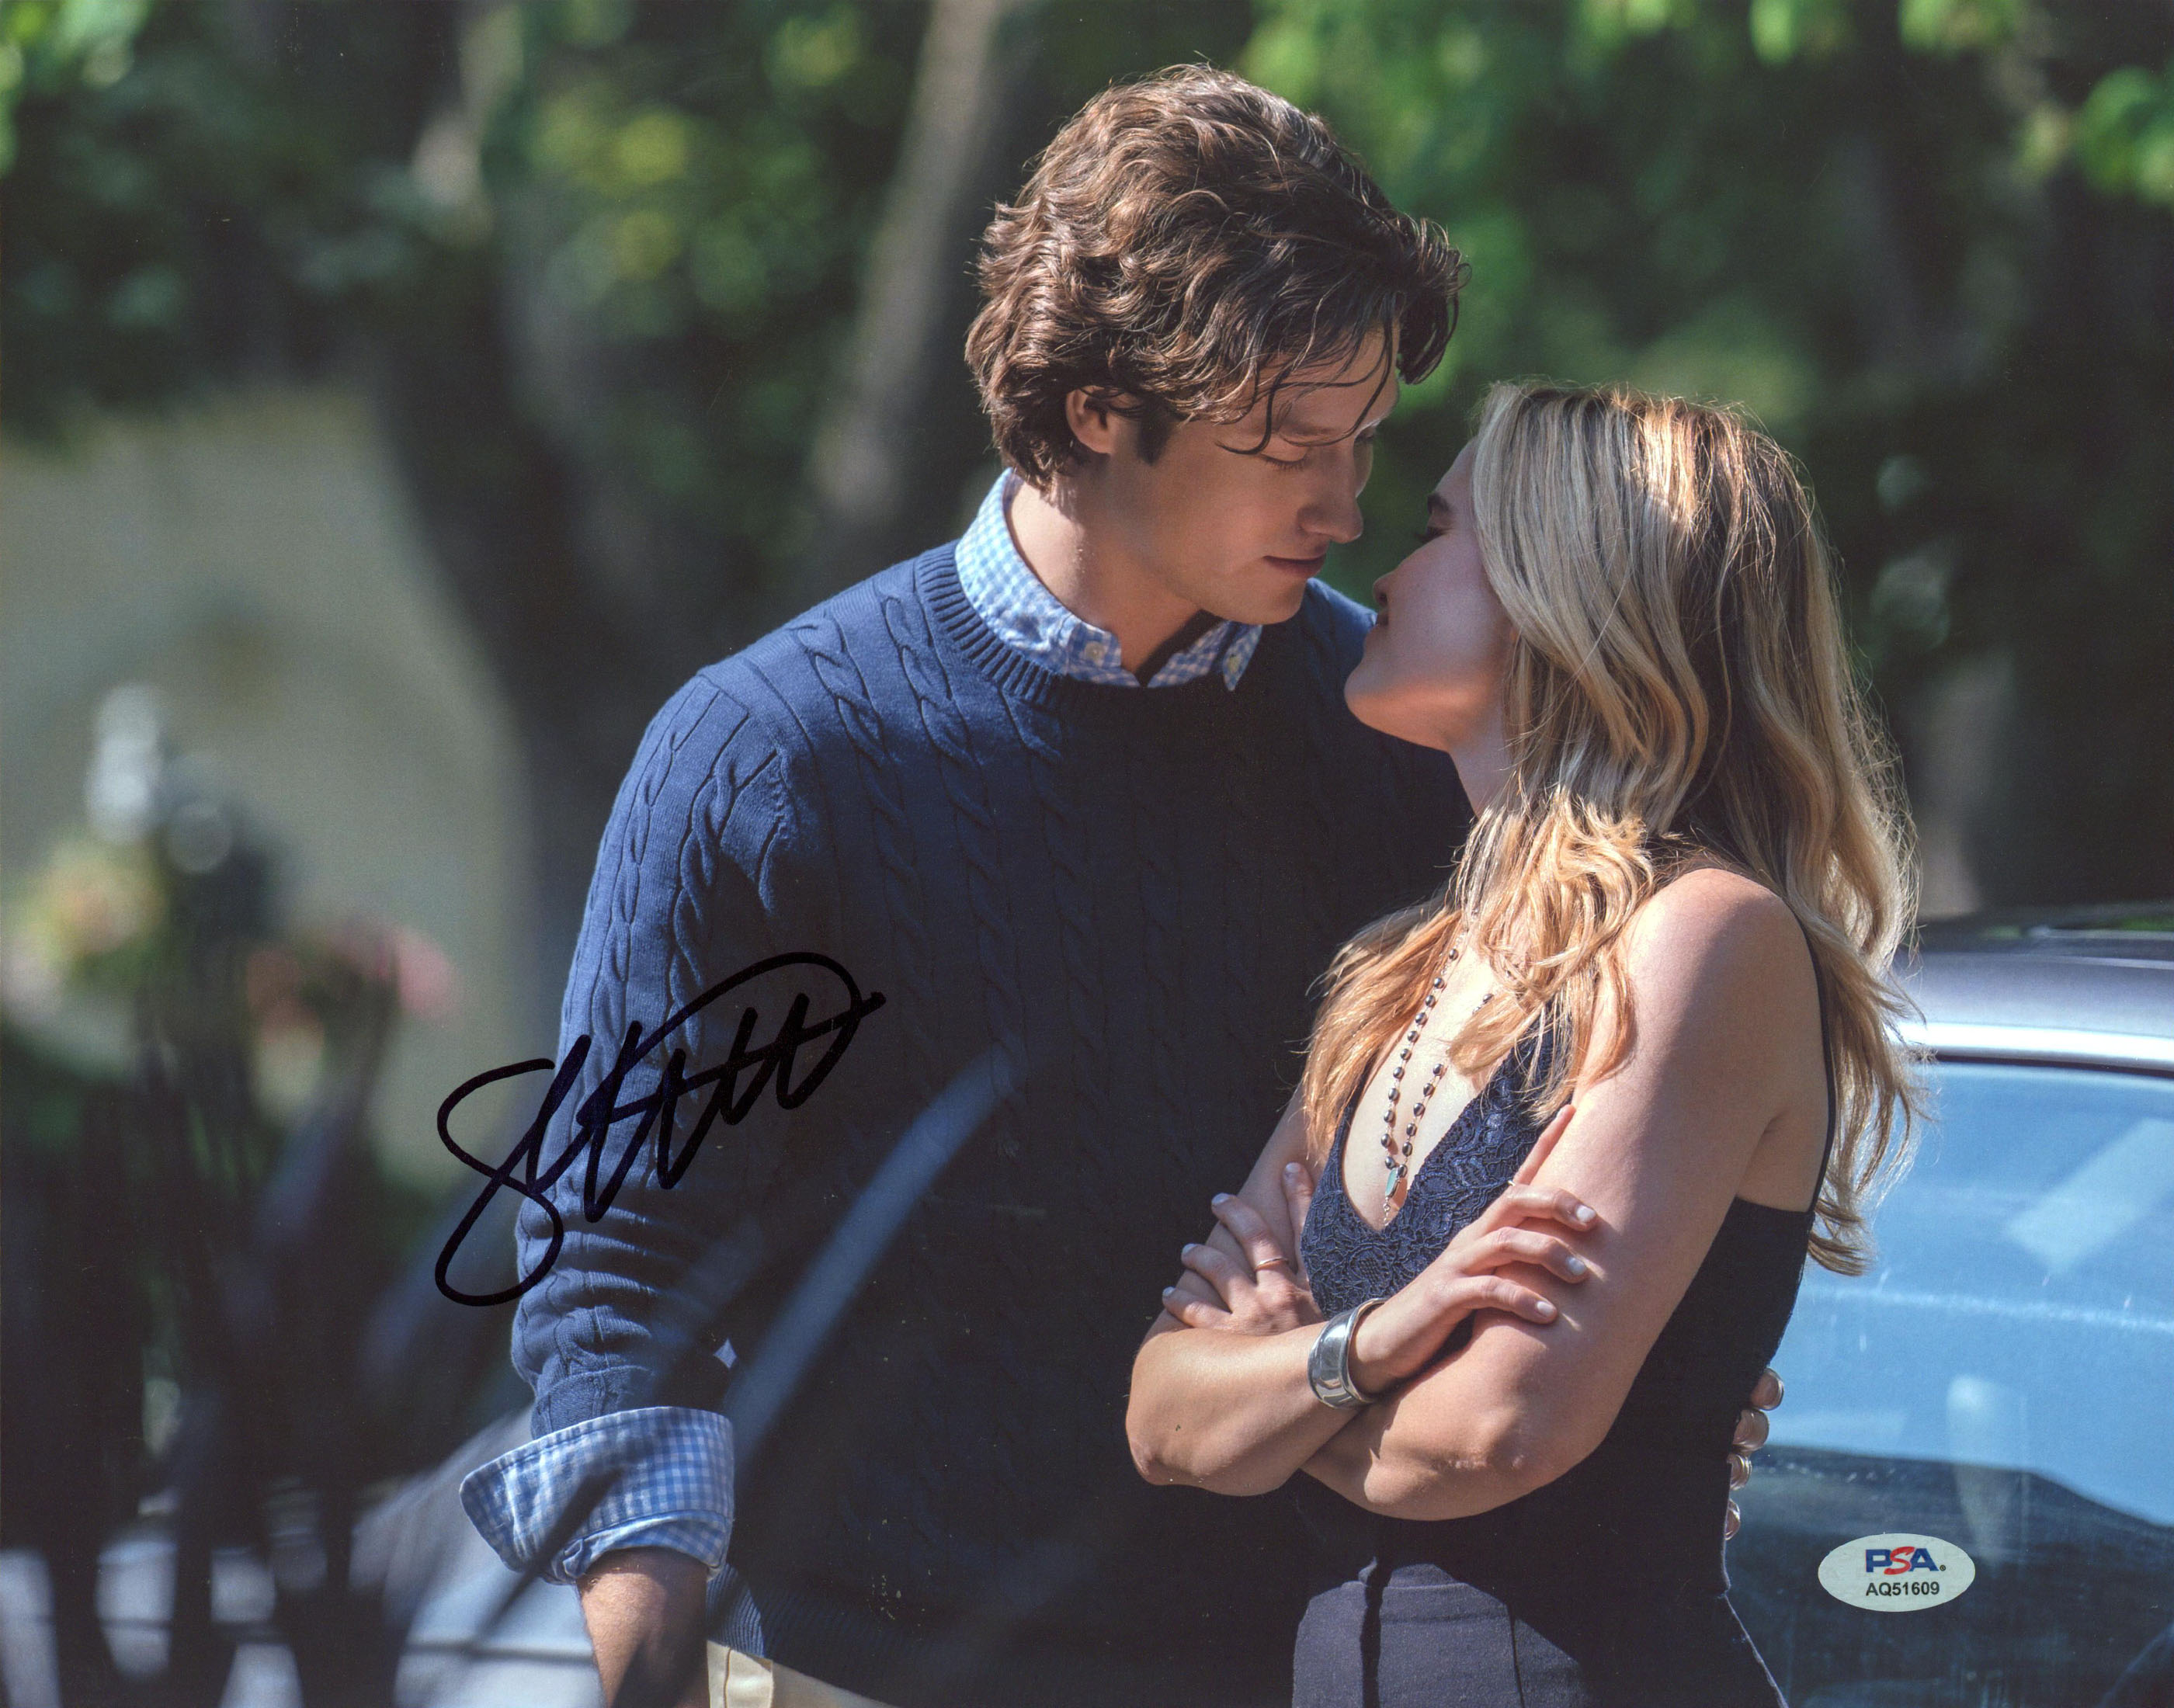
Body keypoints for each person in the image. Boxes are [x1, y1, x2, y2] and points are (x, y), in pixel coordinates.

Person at [457, 71, 1782, 1708]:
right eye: (1288, 443)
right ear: (1099, 409)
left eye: (1364, 439)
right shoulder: (767, 757)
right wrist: (652, 1672)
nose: (1344, 503)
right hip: (853, 1665)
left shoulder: (1403, 747)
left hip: (1285, 1668)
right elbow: (613, 1270)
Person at [1127, 383, 1921, 1705]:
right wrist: (1372, 1348)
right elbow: (1159, 1418)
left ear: (1568, 589)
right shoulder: (1395, 971)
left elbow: (1491, 1433)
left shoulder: (1703, 935)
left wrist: (1276, 1394)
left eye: (1437, 530)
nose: (1379, 567)